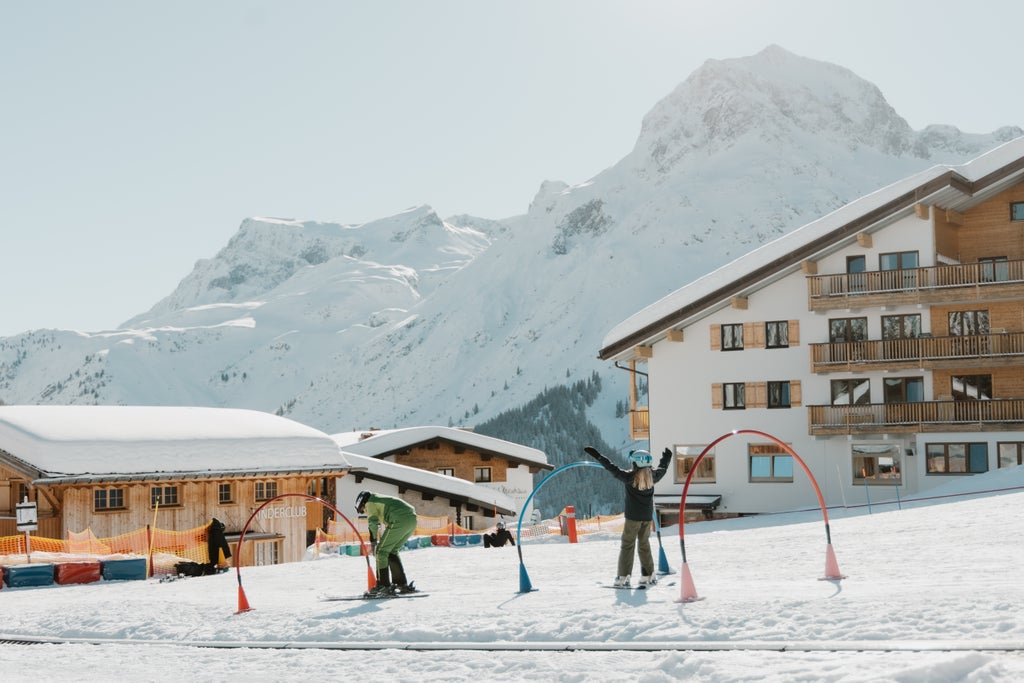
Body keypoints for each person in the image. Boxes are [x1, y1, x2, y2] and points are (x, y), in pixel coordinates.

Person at [584, 446, 672, 587]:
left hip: (633, 518)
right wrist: (667, 457)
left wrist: (598, 456)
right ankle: (648, 575)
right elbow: (663, 468)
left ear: (636, 463)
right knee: (644, 544)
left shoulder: (629, 477)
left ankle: (623, 577)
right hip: (646, 518)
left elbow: (611, 467)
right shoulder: (653, 476)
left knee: (627, 545)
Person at [356, 490, 419, 596]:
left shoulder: (369, 502)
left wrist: (373, 541)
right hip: (411, 519)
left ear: (363, 503)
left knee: (381, 552)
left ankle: (383, 586)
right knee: (391, 551)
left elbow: (373, 522)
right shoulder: (378, 499)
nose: (365, 512)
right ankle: (400, 583)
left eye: (363, 510)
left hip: (399, 519)